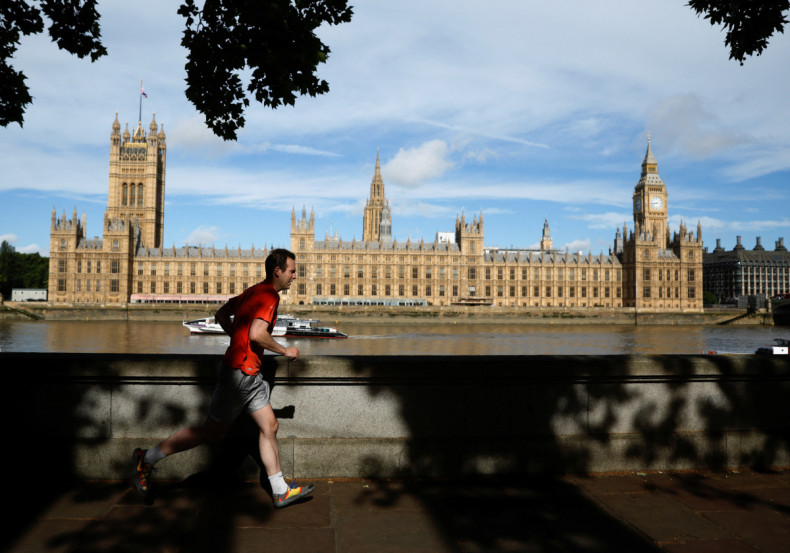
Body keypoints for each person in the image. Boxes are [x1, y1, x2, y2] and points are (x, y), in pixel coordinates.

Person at [132, 248, 314, 508]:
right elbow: (257, 334)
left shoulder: (252, 292)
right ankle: (147, 458)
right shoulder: (270, 296)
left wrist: (237, 339)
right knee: (209, 432)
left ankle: (280, 489)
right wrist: (286, 350)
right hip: (239, 375)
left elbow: (220, 315)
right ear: (278, 271)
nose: (295, 275)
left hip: (250, 373)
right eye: (292, 271)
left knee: (270, 426)